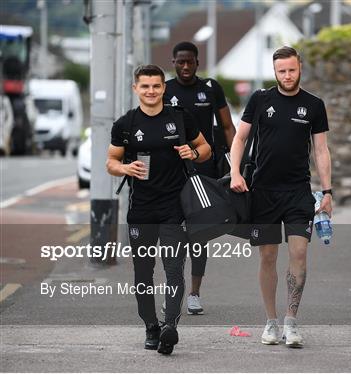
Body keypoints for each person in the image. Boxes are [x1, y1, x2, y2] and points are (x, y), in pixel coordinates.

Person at [230, 46, 332, 347]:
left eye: (291, 69)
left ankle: (291, 322)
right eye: (281, 71)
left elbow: (321, 150)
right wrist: (235, 172)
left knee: (299, 254)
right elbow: (240, 138)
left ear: (300, 66)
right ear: (275, 72)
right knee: (268, 257)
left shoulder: (314, 105)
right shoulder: (261, 100)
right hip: (264, 192)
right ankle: (271, 322)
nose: (287, 75)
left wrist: (327, 191)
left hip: (299, 192)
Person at [106, 64, 211, 355]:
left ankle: (170, 327)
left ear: (164, 88)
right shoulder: (125, 124)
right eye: (145, 87)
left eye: (156, 86)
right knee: (143, 272)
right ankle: (150, 325)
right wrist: (125, 167)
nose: (151, 91)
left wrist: (193, 152)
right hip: (140, 209)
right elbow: (111, 162)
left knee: (174, 269)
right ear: (135, 89)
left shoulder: (179, 119)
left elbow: (206, 149)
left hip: (174, 208)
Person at [163, 41, 236, 315]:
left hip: (204, 169)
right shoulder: (165, 90)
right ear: (173, 62)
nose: (185, 66)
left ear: (196, 62)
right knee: (172, 233)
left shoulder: (211, 88)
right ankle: (173, 289)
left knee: (199, 234)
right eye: (180, 62)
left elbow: (228, 126)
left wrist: (237, 161)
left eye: (189, 62)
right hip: (172, 172)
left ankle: (194, 293)